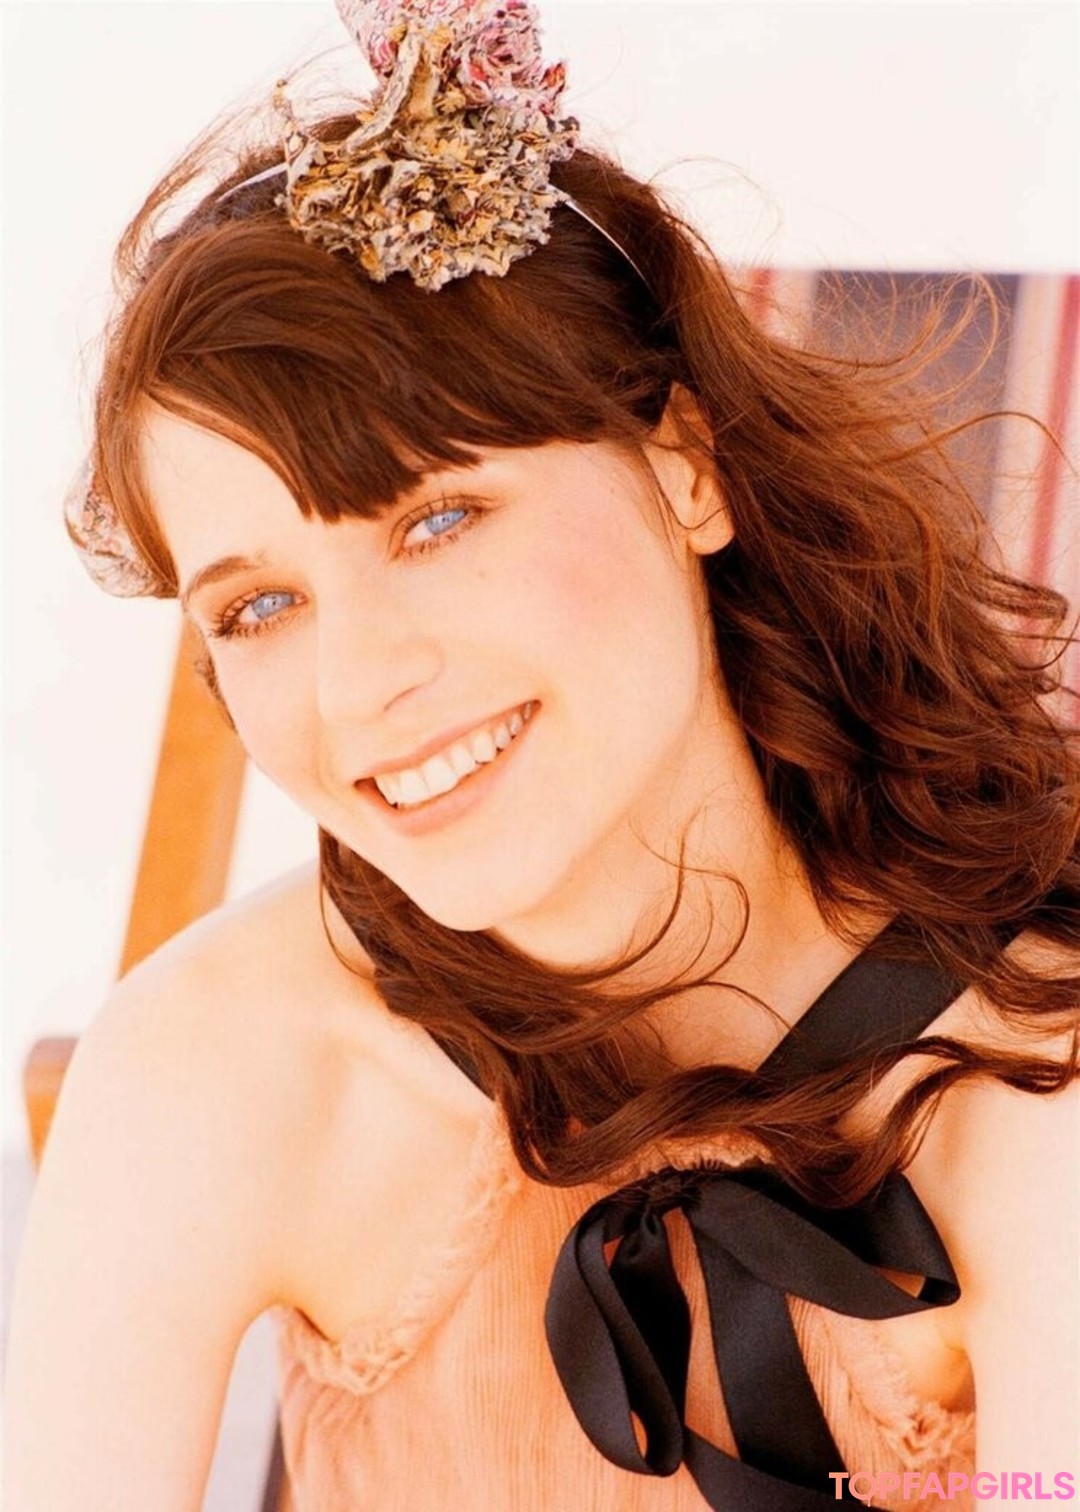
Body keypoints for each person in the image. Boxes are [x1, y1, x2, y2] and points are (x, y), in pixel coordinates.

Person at [5, 1, 1079, 1508]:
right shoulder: (227, 1061)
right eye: (260, 606)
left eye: (437, 519)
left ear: (684, 466)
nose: (363, 685)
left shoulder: (1029, 1089)